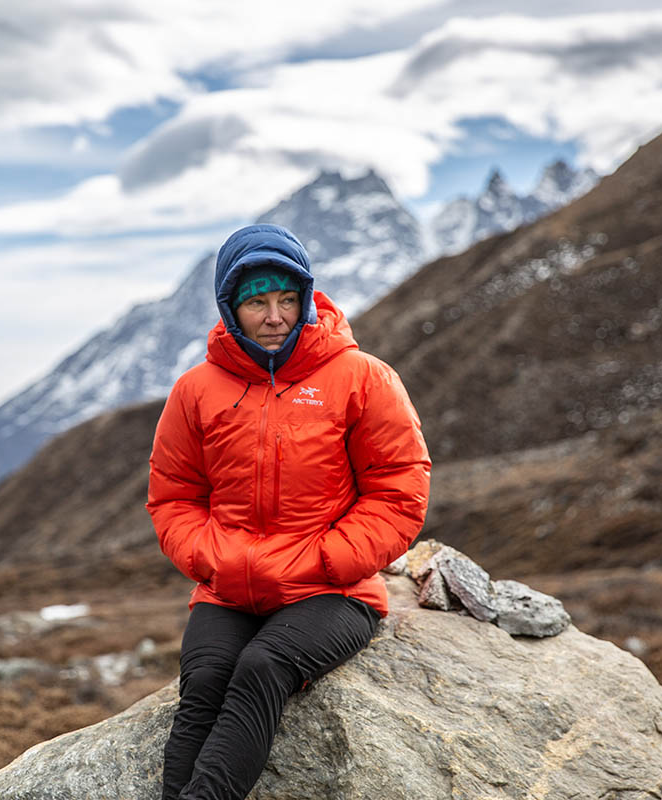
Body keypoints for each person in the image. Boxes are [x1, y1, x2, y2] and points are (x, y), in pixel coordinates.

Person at [146, 223, 431, 800]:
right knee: (202, 683)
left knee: (261, 669)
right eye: (257, 302)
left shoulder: (361, 377)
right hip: (229, 589)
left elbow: (400, 487)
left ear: (305, 300)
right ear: (231, 308)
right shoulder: (196, 390)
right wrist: (213, 561)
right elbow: (174, 495)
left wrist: (329, 560)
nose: (274, 316)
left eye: (286, 299)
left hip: (332, 591)